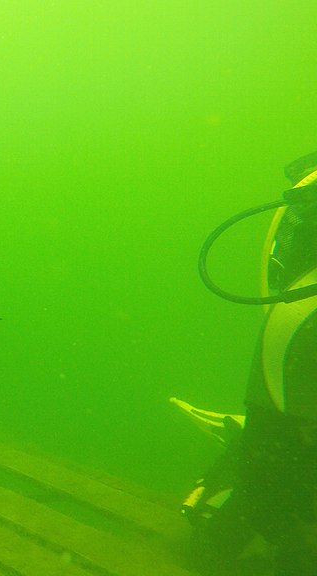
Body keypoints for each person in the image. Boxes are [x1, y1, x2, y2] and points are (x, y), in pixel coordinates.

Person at [187, 150, 317, 575]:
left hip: (289, 338)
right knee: (268, 489)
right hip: (293, 352)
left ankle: (227, 519)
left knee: (265, 484)